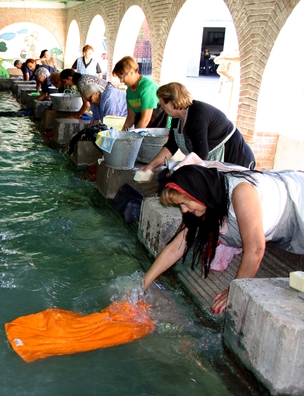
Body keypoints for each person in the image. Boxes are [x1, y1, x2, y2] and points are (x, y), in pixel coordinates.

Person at [143, 164, 304, 313]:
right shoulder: (206, 201)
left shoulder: (241, 192)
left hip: (297, 205)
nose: (183, 210)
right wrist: (143, 283)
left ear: (199, 194)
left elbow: (255, 249)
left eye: (185, 203)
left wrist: (235, 289)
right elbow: (175, 247)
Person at [142, 82, 255, 172]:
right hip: (212, 161)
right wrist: (151, 166)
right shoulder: (177, 118)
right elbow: (171, 146)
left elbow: (201, 153)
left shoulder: (197, 115)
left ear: (172, 103)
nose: (161, 107)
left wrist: (178, 170)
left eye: (162, 103)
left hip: (235, 158)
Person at [112, 56, 167, 130]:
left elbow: (145, 120)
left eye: (122, 77)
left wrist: (134, 137)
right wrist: (121, 135)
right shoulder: (129, 90)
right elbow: (130, 118)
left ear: (131, 72)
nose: (121, 81)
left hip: (160, 127)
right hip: (146, 128)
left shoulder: (147, 88)